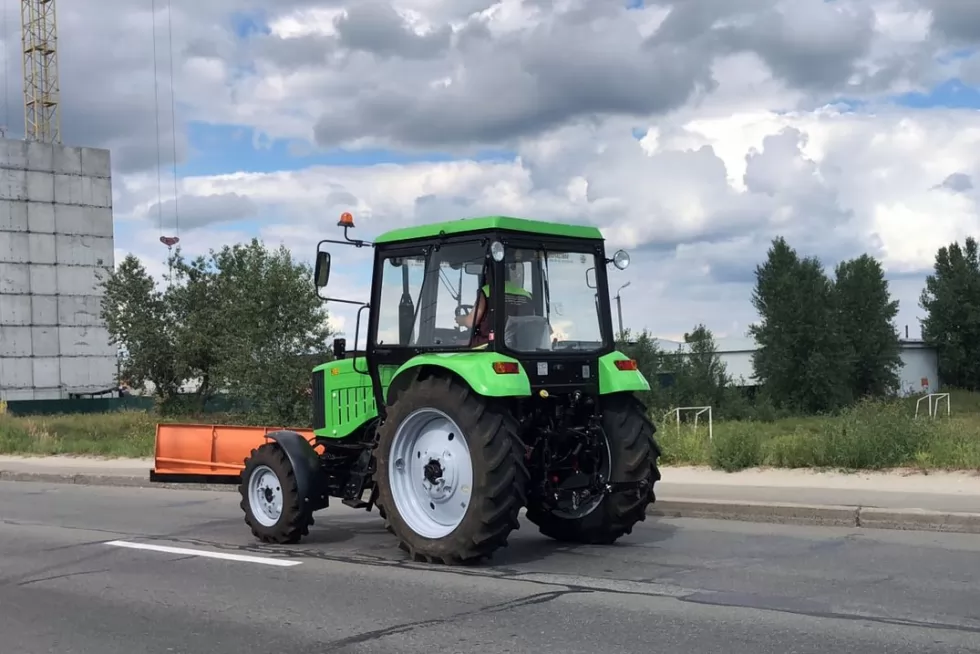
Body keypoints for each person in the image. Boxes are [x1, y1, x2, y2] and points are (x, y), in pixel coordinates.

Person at [456, 262, 533, 347]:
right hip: (520, 345)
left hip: (489, 343)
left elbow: (471, 322)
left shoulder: (487, 291)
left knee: (456, 343)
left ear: (488, 276)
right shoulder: (526, 294)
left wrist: (461, 320)